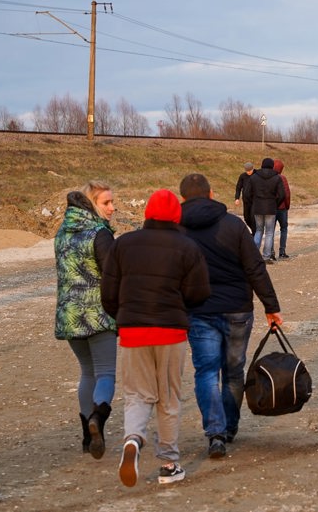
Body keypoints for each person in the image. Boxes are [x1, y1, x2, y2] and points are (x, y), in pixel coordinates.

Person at [101, 189, 211, 487]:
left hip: (133, 332)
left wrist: (124, 317)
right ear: (177, 215)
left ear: (147, 213)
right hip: (171, 332)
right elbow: (199, 292)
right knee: (169, 398)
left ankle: (133, 439)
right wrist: (179, 307)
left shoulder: (123, 244)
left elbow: (108, 294)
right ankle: (168, 463)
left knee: (137, 395)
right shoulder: (187, 247)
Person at [178, 173, 283, 460]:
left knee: (207, 372)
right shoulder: (233, 225)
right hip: (238, 309)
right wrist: (271, 306)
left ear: (183, 198)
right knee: (234, 372)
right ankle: (230, 427)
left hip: (199, 311)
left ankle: (216, 433)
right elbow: (255, 268)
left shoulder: (176, 228)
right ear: (211, 194)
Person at [54, 181, 118, 460]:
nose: (112, 208)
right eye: (106, 203)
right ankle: (98, 420)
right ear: (92, 204)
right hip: (98, 315)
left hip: (69, 316)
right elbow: (112, 276)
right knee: (105, 373)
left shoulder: (61, 233)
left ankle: (86, 436)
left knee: (86, 373)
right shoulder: (100, 234)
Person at [246, 158, 285, 263]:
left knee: (258, 231)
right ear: (272, 166)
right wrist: (275, 203)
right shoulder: (277, 178)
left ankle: (253, 256)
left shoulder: (254, 177)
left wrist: (253, 202)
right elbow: (282, 195)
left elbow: (247, 193)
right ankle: (266, 257)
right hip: (271, 208)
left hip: (257, 207)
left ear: (262, 165)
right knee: (269, 232)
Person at [272, 158, 291, 259]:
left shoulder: (269, 178)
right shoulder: (283, 178)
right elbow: (287, 194)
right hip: (282, 208)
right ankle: (282, 251)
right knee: (283, 229)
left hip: (271, 208)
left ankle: (270, 252)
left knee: (271, 230)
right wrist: (287, 206)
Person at [233, 162, 256, 235]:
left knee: (253, 218)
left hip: (255, 200)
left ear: (253, 169)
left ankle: (255, 233)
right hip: (246, 200)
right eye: (247, 171)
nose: (249, 172)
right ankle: (254, 231)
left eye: (250, 170)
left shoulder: (257, 174)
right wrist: (237, 198)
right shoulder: (243, 176)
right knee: (246, 217)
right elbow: (238, 188)